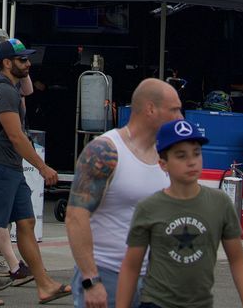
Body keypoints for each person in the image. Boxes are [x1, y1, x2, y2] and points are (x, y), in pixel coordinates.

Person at [65, 78, 183, 308]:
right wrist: (91, 280)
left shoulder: (164, 156)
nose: (180, 117)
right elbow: (75, 217)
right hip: (107, 275)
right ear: (150, 109)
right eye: (174, 110)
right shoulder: (106, 150)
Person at [0, 39, 63, 306]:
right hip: (0, 167)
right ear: (7, 63)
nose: (28, 64)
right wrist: (42, 167)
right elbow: (16, 136)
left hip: (10, 168)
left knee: (26, 224)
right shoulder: (5, 92)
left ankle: (44, 285)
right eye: (22, 60)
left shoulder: (10, 89)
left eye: (28, 59)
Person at [114, 119, 243, 308]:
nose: (191, 161)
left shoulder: (220, 203)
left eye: (196, 154)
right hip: (156, 303)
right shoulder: (149, 207)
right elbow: (131, 266)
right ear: (163, 164)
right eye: (181, 156)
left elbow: (237, 259)